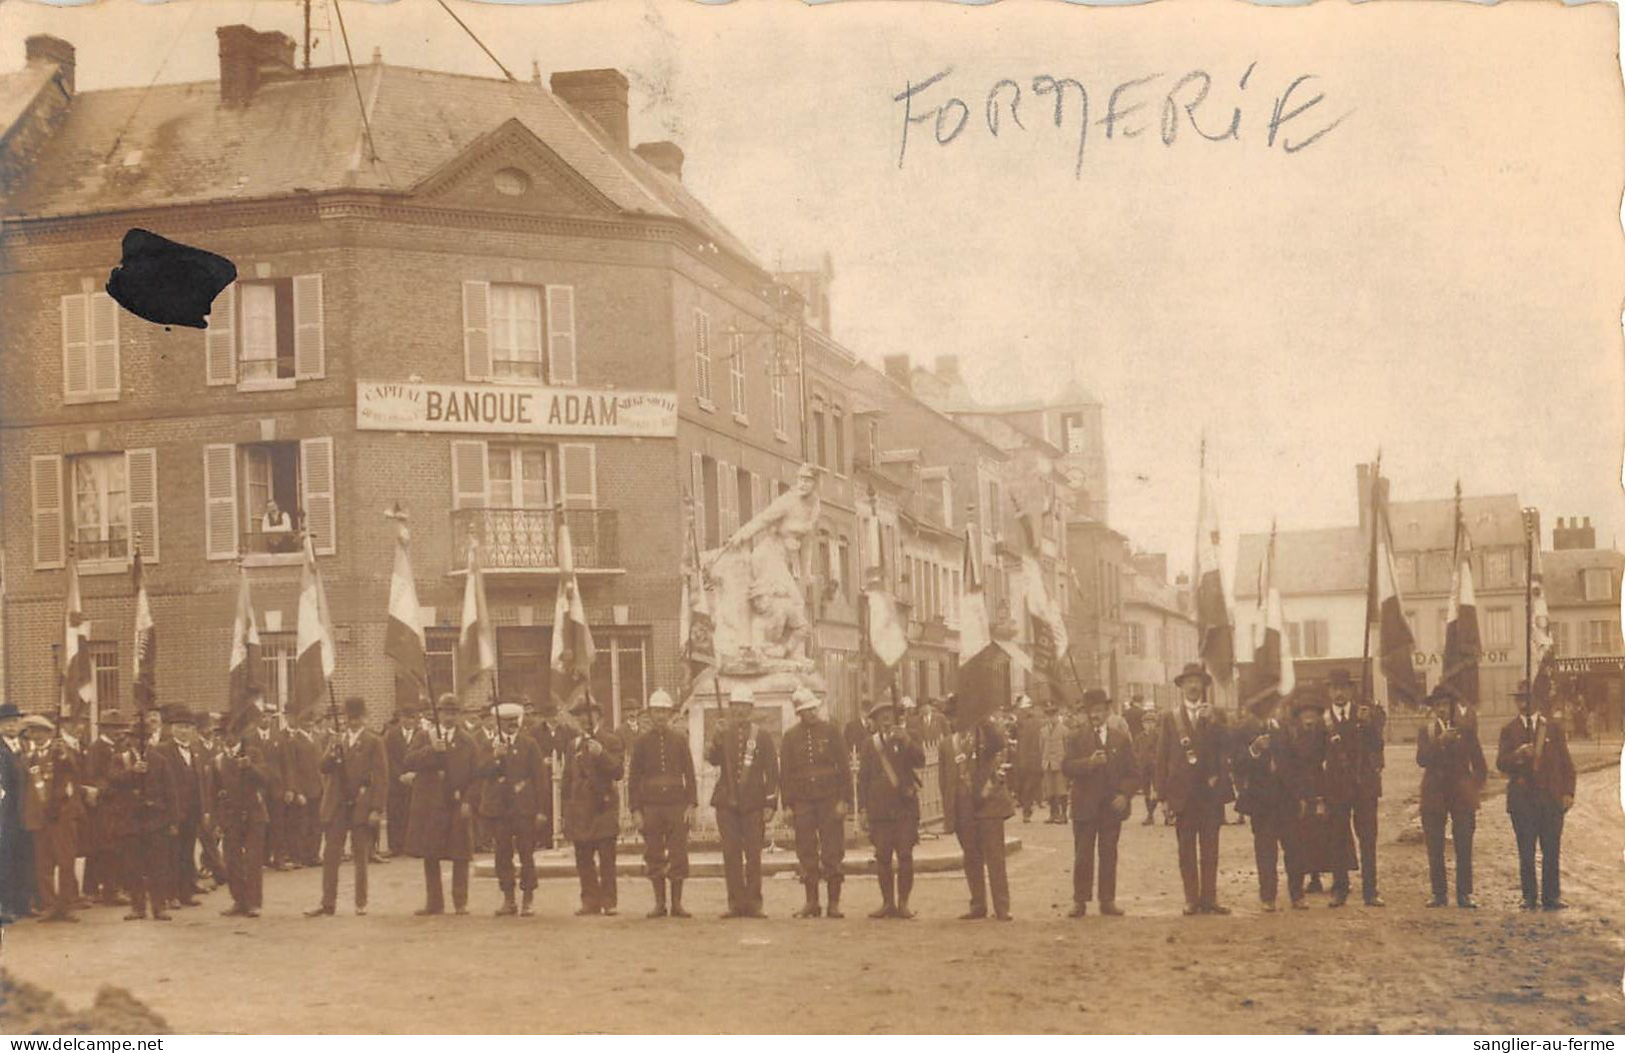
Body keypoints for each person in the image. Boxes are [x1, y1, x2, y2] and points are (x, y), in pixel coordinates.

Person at [1155, 663, 1234, 916]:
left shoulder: (1216, 714)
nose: (1192, 686)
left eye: (1197, 681)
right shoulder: (1170, 717)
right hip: (1183, 794)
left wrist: (1213, 721)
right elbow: (1161, 757)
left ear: (1203, 685)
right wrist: (1162, 796)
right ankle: (1191, 898)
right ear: (1181, 686)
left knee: (1210, 850)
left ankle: (1209, 899)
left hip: (1209, 793)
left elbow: (1228, 744)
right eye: (1188, 681)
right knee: (1186, 849)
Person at [1496, 680, 1576, 911]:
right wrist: (1518, 755)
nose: (1523, 703)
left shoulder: (1552, 728)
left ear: (1536, 700)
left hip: (1550, 800)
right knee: (1526, 851)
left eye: (1527, 698)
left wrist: (1568, 792)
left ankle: (1551, 896)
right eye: (1519, 699)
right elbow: (1501, 763)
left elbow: (1567, 765)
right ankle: (1529, 896)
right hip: (1523, 801)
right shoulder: (1509, 730)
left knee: (1551, 850)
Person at [307, 697, 387, 917]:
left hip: (361, 804)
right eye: (349, 718)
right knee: (331, 855)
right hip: (338, 805)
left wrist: (377, 808)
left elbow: (381, 777)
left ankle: (361, 902)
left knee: (360, 855)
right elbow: (323, 767)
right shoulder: (337, 741)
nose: (352, 722)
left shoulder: (373, 741)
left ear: (364, 718)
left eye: (357, 718)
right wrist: (334, 755)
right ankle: (327, 902)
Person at [1063, 689, 1138, 917]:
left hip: (1111, 807)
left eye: (1099, 710)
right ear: (1086, 713)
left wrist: (1124, 795)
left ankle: (1107, 900)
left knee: (1108, 853)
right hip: (1085, 806)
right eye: (1091, 711)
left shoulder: (1120, 739)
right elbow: (1066, 767)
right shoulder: (1076, 738)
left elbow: (1133, 773)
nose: (1095, 715)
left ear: (1107, 711)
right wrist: (1088, 763)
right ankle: (1080, 900)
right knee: (1083, 854)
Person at [706, 685, 779, 919]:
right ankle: (735, 903)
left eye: (744, 706)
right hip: (727, 802)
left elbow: (772, 771)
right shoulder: (723, 733)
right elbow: (712, 760)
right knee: (731, 853)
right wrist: (715, 738)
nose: (739, 710)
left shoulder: (762, 736)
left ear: (751, 709)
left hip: (753, 803)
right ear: (730, 708)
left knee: (754, 855)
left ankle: (754, 903)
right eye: (735, 706)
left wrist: (770, 803)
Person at [939, 695, 1015, 921]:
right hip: (963, 808)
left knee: (995, 858)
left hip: (988, 804)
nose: (957, 721)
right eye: (953, 717)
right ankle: (978, 904)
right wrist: (949, 813)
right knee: (971, 858)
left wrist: (982, 718)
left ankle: (1002, 907)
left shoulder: (984, 736)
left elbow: (999, 742)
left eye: (961, 716)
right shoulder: (947, 744)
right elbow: (945, 782)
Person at [780, 685, 852, 919]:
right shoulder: (790, 737)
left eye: (813, 708)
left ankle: (833, 903)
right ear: (799, 713)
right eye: (806, 710)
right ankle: (812, 902)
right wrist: (788, 805)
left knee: (832, 851)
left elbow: (844, 768)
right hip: (803, 802)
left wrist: (844, 800)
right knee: (806, 851)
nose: (811, 713)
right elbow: (786, 774)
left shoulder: (831, 732)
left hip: (829, 800)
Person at [404, 695, 478, 916]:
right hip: (431, 804)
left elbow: (476, 775)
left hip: (456, 803)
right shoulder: (425, 736)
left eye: (454, 712)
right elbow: (408, 761)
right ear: (439, 713)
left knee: (460, 854)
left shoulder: (468, 741)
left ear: (459, 715)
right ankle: (434, 902)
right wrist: (432, 750)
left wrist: (468, 801)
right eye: (446, 712)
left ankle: (460, 902)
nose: (449, 717)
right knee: (431, 853)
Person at [627, 689, 697, 919]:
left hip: (676, 805)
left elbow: (690, 773)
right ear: (649, 713)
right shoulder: (641, 743)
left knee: (678, 853)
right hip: (652, 806)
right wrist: (636, 810)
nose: (660, 716)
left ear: (670, 714)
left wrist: (691, 805)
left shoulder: (679, 740)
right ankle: (659, 903)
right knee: (654, 853)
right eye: (656, 711)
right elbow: (634, 778)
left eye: (664, 711)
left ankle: (677, 903)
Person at [1416, 684, 1487, 909]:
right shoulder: (1427, 731)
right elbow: (1422, 760)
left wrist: (1472, 786)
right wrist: (1440, 742)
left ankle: (1464, 893)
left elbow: (1480, 765)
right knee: (1435, 846)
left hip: (1460, 794)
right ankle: (1439, 893)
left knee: (1464, 844)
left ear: (1452, 706)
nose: (1442, 709)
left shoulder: (1465, 731)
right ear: (1433, 709)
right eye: (1438, 705)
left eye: (1445, 704)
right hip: (1434, 794)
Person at [1322, 669, 1387, 908]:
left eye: (1343, 688)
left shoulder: (1365, 714)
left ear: (1351, 690)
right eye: (1334, 688)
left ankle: (1370, 891)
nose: (1339, 693)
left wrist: (1368, 724)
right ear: (1329, 691)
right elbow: (1316, 755)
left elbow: (1378, 746)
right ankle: (1340, 889)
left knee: (1368, 840)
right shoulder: (1324, 719)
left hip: (1364, 787)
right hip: (1336, 788)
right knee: (1337, 839)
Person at [477, 701, 549, 917]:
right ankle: (508, 898)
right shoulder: (489, 746)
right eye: (505, 722)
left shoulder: (529, 745)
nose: (510, 726)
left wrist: (541, 810)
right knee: (502, 854)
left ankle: (528, 898)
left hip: (523, 809)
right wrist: (495, 757)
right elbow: (480, 772)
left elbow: (540, 779)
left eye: (513, 721)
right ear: (497, 723)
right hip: (499, 810)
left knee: (527, 854)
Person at [856, 697, 926, 919]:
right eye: (881, 716)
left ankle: (903, 902)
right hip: (879, 810)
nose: (886, 719)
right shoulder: (870, 744)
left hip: (904, 808)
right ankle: (887, 902)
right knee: (883, 856)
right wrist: (863, 810)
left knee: (905, 855)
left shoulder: (909, 737)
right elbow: (863, 778)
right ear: (875, 721)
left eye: (890, 714)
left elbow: (920, 760)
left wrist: (905, 741)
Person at [113, 706, 182, 921]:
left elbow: (171, 791)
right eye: (135, 738)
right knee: (133, 865)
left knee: (158, 865)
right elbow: (112, 782)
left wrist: (173, 820)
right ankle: (137, 907)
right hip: (131, 820)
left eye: (144, 738)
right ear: (130, 740)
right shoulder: (121, 759)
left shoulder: (160, 760)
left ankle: (159, 906)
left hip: (155, 820)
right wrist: (132, 772)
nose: (139, 742)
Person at [561, 696, 625, 916]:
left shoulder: (610, 740)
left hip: (603, 807)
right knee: (583, 858)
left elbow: (618, 771)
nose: (585, 720)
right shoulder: (573, 745)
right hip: (580, 811)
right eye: (580, 715)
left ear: (598, 715)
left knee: (607, 858)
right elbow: (567, 780)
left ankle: (609, 901)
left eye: (589, 714)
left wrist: (601, 754)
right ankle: (590, 900)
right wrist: (566, 811)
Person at [1233, 695, 1297, 911]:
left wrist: (1303, 795)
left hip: (1287, 798)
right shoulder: (1243, 730)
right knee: (1265, 849)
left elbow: (1300, 762)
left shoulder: (1288, 727)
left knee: (1294, 847)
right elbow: (1238, 765)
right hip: (1261, 801)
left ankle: (1297, 894)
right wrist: (1255, 750)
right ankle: (1268, 896)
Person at [21, 716, 81, 922]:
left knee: (65, 862)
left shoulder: (61, 753)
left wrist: (63, 754)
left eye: (40, 731)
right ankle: (49, 905)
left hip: (61, 817)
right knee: (43, 865)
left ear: (49, 733)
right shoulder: (27, 757)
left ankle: (65, 906)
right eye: (32, 731)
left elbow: (73, 769)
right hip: (39, 818)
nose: (36, 736)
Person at [214, 713, 273, 918]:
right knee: (232, 860)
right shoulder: (219, 759)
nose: (228, 738)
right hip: (231, 816)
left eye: (232, 733)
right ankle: (239, 900)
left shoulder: (253, 753)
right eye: (224, 734)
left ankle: (254, 902)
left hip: (254, 814)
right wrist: (219, 819)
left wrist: (251, 767)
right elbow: (215, 790)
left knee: (253, 859)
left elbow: (266, 778)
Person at [155, 707, 208, 907]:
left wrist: (203, 809)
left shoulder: (195, 751)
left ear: (193, 730)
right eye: (179, 727)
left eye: (187, 727)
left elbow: (201, 781)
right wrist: (168, 813)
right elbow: (159, 783)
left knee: (187, 853)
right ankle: (170, 895)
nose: (183, 731)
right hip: (173, 812)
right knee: (171, 854)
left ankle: (186, 892)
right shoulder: (162, 750)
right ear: (172, 729)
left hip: (192, 811)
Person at [243, 692, 292, 871]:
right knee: (260, 824)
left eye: (269, 717)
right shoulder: (248, 738)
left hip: (277, 787)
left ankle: (278, 858)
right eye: (263, 716)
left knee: (278, 824)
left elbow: (287, 765)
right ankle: (261, 859)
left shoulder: (279, 737)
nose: (266, 720)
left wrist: (289, 788)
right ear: (257, 718)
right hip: (258, 788)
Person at [0, 702, 34, 922]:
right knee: (5, 859)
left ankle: (22, 903)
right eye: (7, 722)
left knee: (23, 856)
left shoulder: (21, 746)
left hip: (23, 811)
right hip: (5, 812)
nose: (12, 725)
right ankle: (5, 906)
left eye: (15, 721)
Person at [285, 712, 325, 868]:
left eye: (311, 721)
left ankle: (313, 855)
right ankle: (299, 856)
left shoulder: (316, 739)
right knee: (302, 824)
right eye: (306, 722)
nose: (309, 724)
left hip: (318, 787)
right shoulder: (294, 742)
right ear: (300, 722)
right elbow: (291, 768)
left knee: (317, 823)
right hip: (303, 790)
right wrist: (298, 791)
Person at [383, 704, 421, 857]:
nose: (409, 721)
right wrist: (399, 775)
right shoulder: (391, 735)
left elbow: (424, 757)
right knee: (395, 813)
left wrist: (414, 774)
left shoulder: (421, 734)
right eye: (406, 718)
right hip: (396, 781)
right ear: (400, 719)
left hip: (415, 781)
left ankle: (412, 845)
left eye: (412, 718)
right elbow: (388, 759)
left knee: (414, 814)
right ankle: (395, 846)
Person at [1011, 695, 1043, 822]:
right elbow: (1012, 738)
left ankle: (1027, 810)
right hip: (1022, 757)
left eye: (1027, 708)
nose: (1025, 711)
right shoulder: (1018, 723)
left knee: (1029, 785)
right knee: (1022, 785)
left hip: (1033, 757)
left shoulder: (1037, 722)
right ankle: (1026, 807)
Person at [1039, 703, 1070, 823]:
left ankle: (1063, 814)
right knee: (1050, 791)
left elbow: (1067, 748)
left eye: (1053, 715)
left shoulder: (1064, 730)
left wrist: (1066, 761)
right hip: (1048, 763)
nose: (1051, 718)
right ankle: (1053, 814)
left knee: (1061, 790)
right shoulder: (1043, 731)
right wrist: (1043, 760)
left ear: (1057, 715)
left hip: (1060, 763)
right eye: (1048, 716)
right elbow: (1041, 747)